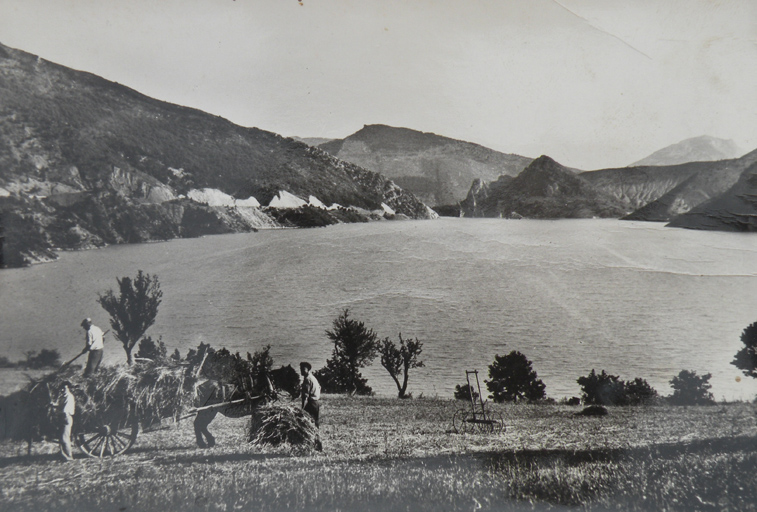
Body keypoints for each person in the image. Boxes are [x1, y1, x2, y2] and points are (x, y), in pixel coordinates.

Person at [58, 381, 75, 461]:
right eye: (62, 388)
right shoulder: (63, 397)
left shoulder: (69, 397)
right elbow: (60, 406)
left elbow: (65, 409)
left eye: (65, 388)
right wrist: (54, 405)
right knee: (62, 437)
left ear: (68, 388)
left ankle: (69, 456)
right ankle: (64, 454)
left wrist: (59, 412)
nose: (63, 390)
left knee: (65, 438)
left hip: (66, 417)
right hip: (62, 417)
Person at [299, 362, 321, 427]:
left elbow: (305, 395)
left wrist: (302, 408)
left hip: (311, 403)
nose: (301, 371)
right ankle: (317, 434)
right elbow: (319, 387)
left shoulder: (307, 379)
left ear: (307, 369)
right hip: (316, 402)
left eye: (303, 369)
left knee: (303, 420)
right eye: (301, 369)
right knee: (315, 420)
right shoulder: (313, 378)